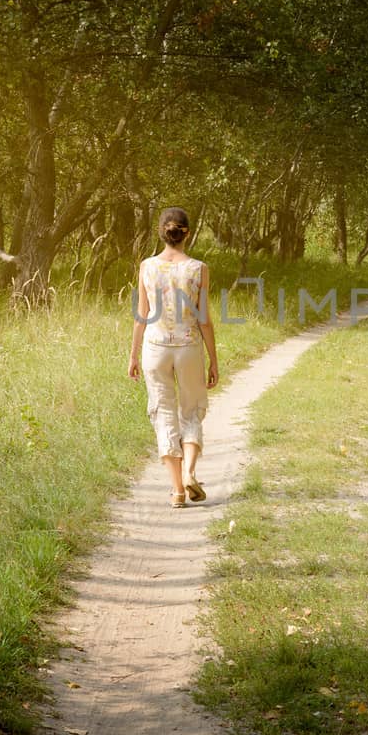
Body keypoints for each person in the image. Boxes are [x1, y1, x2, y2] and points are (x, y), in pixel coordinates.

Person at [128, 206, 219, 508]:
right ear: (187, 233)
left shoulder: (146, 266)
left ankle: (178, 490)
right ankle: (191, 472)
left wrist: (133, 355)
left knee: (163, 412)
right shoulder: (199, 268)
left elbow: (141, 314)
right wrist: (214, 360)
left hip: (154, 348)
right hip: (188, 347)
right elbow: (203, 319)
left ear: (162, 232)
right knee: (191, 410)